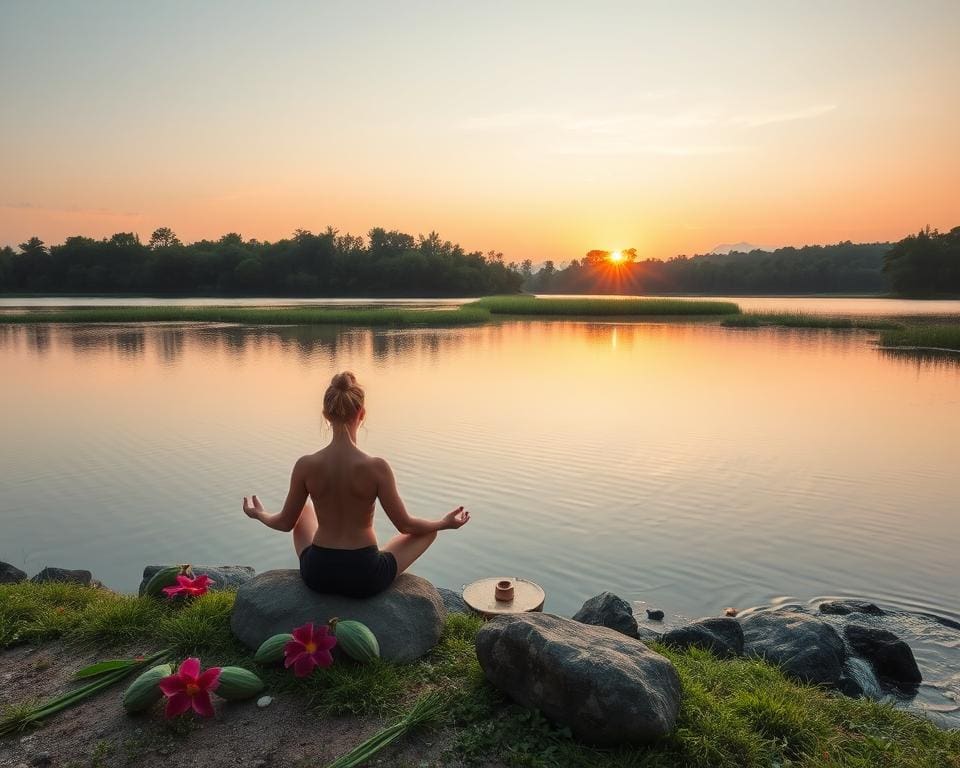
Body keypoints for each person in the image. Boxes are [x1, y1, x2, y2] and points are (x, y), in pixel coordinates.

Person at [242, 371, 470, 598]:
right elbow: (406, 526)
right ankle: (384, 555)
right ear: (361, 414)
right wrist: (444, 523)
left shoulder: (306, 465)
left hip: (318, 573)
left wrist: (259, 514)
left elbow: (284, 523)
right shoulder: (376, 467)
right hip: (365, 575)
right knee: (428, 531)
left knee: (303, 510)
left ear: (326, 415)